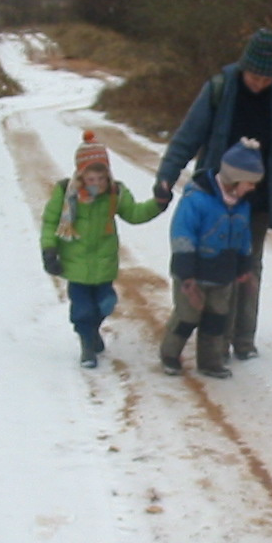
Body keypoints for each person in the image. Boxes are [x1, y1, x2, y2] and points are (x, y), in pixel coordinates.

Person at [152, 28, 272, 362]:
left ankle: (243, 338)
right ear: (244, 67)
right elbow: (188, 136)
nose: (260, 83)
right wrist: (167, 175)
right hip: (217, 196)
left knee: (248, 266)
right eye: (254, 75)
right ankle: (216, 339)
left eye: (267, 78)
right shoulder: (220, 89)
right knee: (216, 265)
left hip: (260, 197)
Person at [41, 130, 165, 368]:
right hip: (75, 265)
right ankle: (87, 344)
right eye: (91, 179)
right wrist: (49, 250)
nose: (96, 184)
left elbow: (135, 214)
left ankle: (93, 331)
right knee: (83, 310)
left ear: (107, 175)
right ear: (80, 175)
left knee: (106, 303)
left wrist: (158, 204)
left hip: (104, 266)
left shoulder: (114, 194)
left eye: (101, 178)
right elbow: (50, 222)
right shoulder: (66, 194)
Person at [160, 138, 262, 379]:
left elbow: (243, 236)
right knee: (187, 316)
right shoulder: (197, 200)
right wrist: (186, 274)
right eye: (250, 182)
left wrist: (244, 265)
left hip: (223, 273)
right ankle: (170, 354)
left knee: (217, 319)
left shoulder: (242, 205)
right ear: (234, 178)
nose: (253, 188)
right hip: (193, 273)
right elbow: (182, 234)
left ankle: (210, 361)